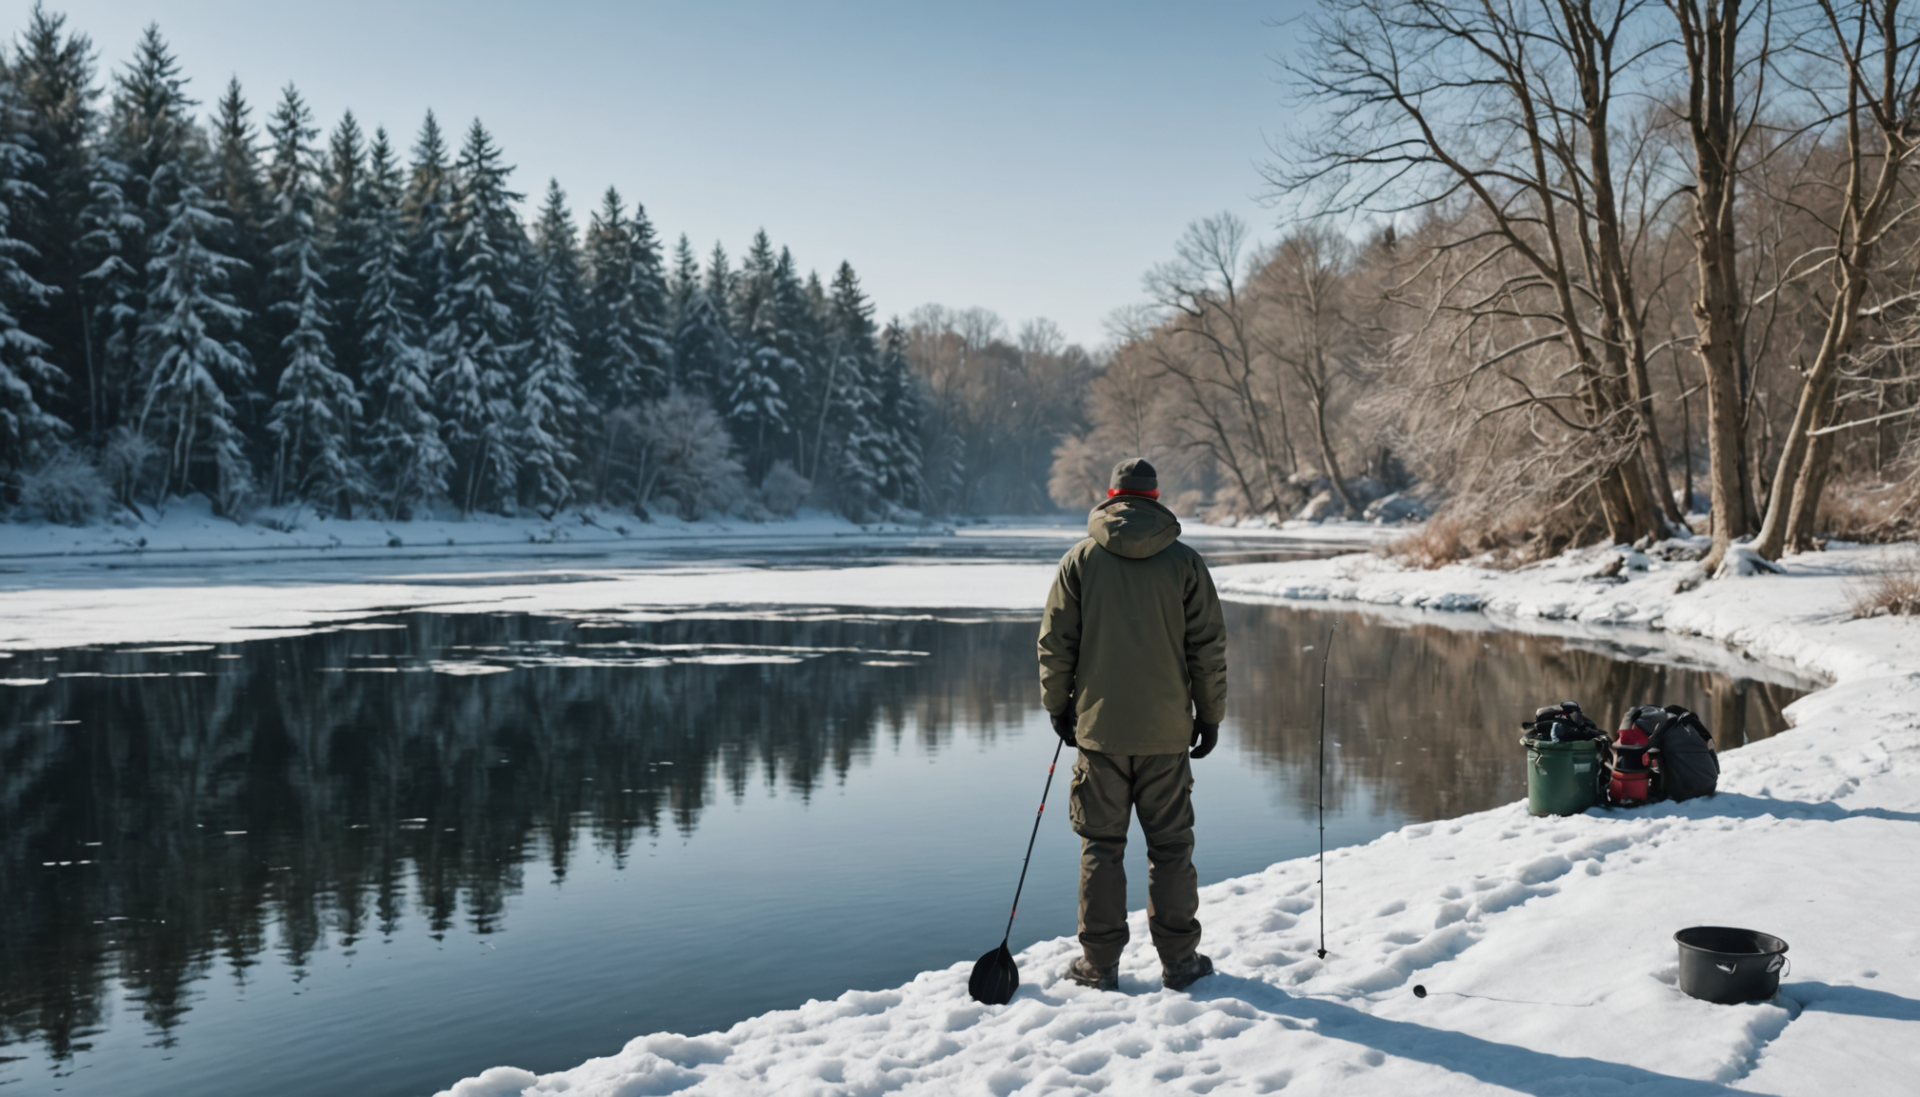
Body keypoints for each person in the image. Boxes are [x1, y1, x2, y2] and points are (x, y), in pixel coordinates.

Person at [1037, 457, 1227, 992]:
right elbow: (1208, 649)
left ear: (1111, 496)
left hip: (1099, 734)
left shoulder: (1080, 560)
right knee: (1170, 848)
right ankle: (1180, 963)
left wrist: (1058, 706)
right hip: (1167, 735)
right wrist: (1210, 717)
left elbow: (1055, 644)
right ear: (1156, 496)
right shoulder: (1185, 563)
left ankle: (1099, 966)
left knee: (1101, 846)